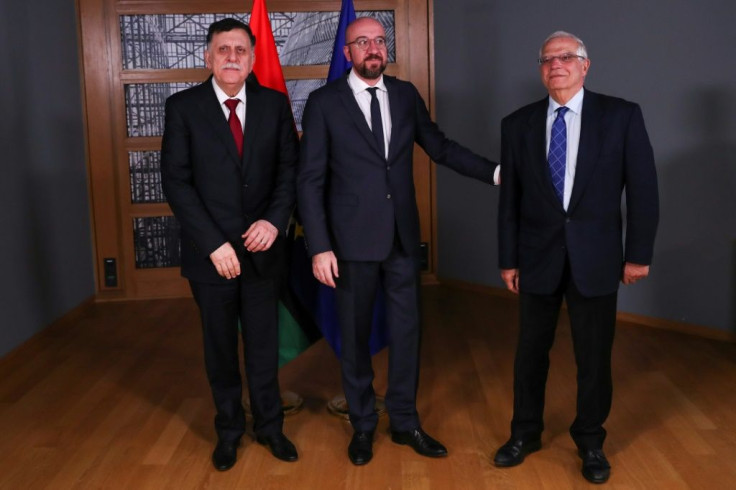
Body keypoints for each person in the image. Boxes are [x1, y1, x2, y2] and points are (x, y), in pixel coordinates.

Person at [297, 17, 499, 465]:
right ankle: (364, 424)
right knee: (354, 335)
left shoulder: (406, 95)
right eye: (363, 42)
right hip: (348, 245)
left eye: (379, 41)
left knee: (408, 333)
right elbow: (309, 180)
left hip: (402, 240)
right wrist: (319, 246)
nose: (373, 48)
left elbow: (440, 147)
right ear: (348, 51)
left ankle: (405, 422)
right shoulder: (324, 102)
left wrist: (497, 172)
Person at [494, 31, 659, 484]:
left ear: (586, 65)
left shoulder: (622, 116)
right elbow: (510, 201)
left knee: (593, 358)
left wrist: (638, 254)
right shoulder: (517, 124)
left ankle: (590, 441)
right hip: (536, 258)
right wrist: (508, 259)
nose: (556, 65)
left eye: (567, 57)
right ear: (541, 70)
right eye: (548, 59)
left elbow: (643, 191)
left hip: (599, 258)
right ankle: (524, 433)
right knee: (530, 353)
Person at [161, 18, 299, 471]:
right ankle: (228, 431)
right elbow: (177, 183)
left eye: (241, 49)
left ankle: (270, 428)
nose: (233, 58)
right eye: (224, 50)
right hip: (211, 258)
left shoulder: (275, 105)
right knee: (219, 349)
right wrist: (213, 244)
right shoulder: (183, 107)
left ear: (253, 58)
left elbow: (288, 174)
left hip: (263, 252)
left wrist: (275, 222)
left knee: (263, 347)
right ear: (208, 56)